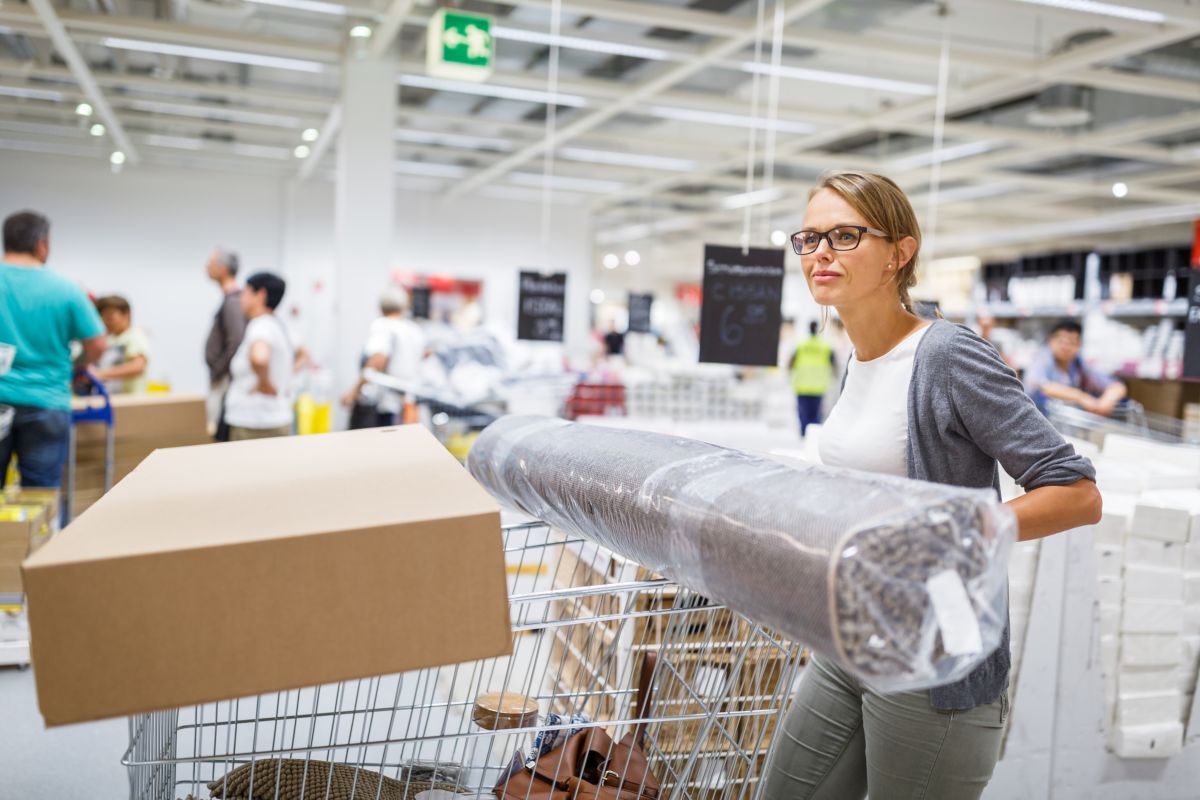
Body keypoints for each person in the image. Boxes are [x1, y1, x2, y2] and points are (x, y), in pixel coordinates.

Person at [762, 172, 1101, 800]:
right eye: (808, 239)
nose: (820, 253)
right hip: (849, 640)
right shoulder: (858, 358)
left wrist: (955, 531)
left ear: (900, 252)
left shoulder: (945, 356)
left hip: (935, 655)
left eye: (844, 235)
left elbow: (1077, 491)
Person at [0, 211, 107, 489]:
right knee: (40, 493)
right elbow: (97, 343)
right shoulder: (66, 289)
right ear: (41, 244)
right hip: (46, 401)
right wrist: (79, 365)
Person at [342, 286, 426, 429]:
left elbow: (377, 359)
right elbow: (425, 355)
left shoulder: (383, 326)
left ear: (381, 307)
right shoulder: (414, 330)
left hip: (384, 406)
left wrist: (353, 392)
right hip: (407, 403)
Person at [222, 272, 294, 441]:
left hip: (255, 424)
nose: (241, 298)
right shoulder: (275, 324)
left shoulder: (260, 325)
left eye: (246, 292)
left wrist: (265, 384)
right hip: (270, 419)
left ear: (260, 295)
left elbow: (259, 359)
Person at [1024, 319, 1127, 417]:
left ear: (1079, 345)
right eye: (1061, 342)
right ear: (1051, 340)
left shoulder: (1078, 364)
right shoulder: (1042, 358)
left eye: (1071, 343)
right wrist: (1081, 397)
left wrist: (1106, 401)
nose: (1066, 347)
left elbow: (1117, 386)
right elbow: (1044, 387)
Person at [204, 249, 246, 439]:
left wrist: (218, 370)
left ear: (223, 269)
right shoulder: (231, 300)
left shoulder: (233, 301)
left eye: (210, 263)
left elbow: (236, 340)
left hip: (225, 380)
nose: (206, 267)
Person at [93, 295, 150, 394]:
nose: (106, 321)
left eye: (110, 317)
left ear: (126, 314)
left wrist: (100, 374)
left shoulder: (135, 335)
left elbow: (138, 366)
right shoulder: (108, 339)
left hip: (129, 403)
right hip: (110, 401)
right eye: (103, 317)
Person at [789, 321, 835, 437]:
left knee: (803, 412)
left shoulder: (800, 344)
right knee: (816, 414)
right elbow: (834, 365)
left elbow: (790, 363)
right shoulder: (825, 346)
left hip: (802, 384)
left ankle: (804, 434)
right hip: (818, 385)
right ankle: (813, 436)